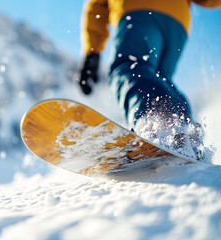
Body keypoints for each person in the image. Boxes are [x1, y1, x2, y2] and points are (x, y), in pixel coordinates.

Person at [76, 0, 221, 160]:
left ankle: (156, 128)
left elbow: (96, 4)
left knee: (129, 67)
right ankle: (185, 137)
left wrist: (92, 51)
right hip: (177, 23)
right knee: (159, 81)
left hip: (138, 9)